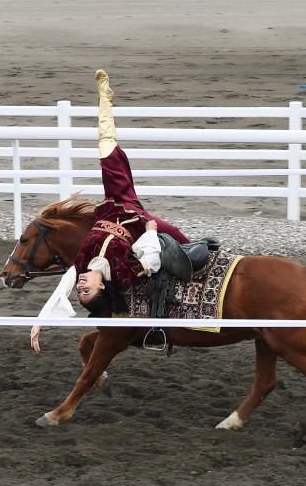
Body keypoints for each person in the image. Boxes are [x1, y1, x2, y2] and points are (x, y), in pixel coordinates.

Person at [30, 69, 190, 353]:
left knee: (105, 148)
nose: (81, 286)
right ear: (101, 287)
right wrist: (152, 233)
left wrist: (40, 320)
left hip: (113, 204)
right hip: (139, 223)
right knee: (184, 243)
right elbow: (150, 260)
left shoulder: (82, 265)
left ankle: (105, 98)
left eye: (81, 291)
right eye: (86, 291)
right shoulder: (120, 273)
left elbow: (64, 284)